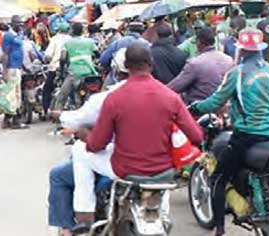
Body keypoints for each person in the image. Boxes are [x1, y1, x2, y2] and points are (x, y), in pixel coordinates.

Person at [83, 43, 202, 228]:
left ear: (126, 66)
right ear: (151, 64)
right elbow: (197, 136)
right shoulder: (170, 96)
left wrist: (85, 136)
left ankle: (87, 214)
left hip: (127, 170)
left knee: (81, 159)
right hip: (164, 173)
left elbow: (97, 144)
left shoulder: (114, 98)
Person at [190, 29, 269, 235]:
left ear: (241, 50)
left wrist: (196, 107)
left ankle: (220, 228)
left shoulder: (237, 73)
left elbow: (216, 101)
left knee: (218, 177)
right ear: (261, 49)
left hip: (246, 137)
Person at [46, 48, 130, 235]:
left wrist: (58, 115)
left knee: (64, 169)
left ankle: (74, 225)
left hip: (118, 161)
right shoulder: (164, 94)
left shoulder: (107, 99)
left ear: (116, 71)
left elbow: (86, 131)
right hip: (155, 165)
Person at [168, 28, 234, 104]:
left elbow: (175, 86)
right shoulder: (228, 60)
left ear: (199, 42)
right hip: (224, 107)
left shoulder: (195, 63)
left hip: (199, 108)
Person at [52, 23, 98, 111]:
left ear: (72, 31)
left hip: (74, 73)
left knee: (62, 95)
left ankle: (57, 114)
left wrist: (61, 72)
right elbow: (97, 53)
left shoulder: (67, 43)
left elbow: (62, 58)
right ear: (82, 31)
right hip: (90, 72)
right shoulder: (90, 41)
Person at [0, 16, 27, 128]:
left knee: (16, 94)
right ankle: (13, 120)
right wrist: (4, 71)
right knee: (13, 94)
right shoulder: (8, 36)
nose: (20, 25)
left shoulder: (17, 35)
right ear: (12, 23)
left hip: (17, 67)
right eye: (18, 23)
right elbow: (5, 54)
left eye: (21, 23)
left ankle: (9, 120)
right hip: (11, 68)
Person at [43, 21, 72, 114]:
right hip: (69, 69)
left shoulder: (55, 39)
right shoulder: (71, 39)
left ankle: (45, 109)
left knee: (47, 89)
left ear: (58, 30)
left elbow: (48, 55)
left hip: (55, 68)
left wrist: (46, 60)